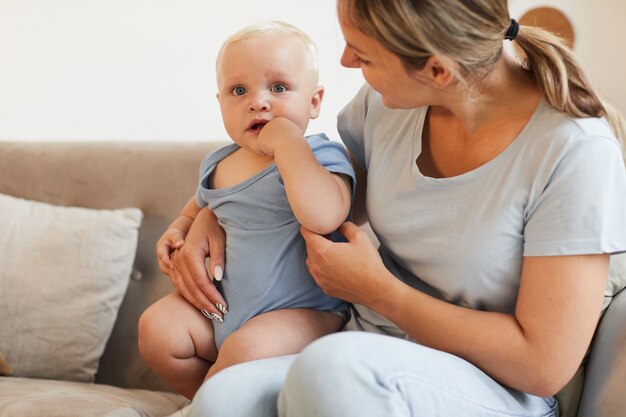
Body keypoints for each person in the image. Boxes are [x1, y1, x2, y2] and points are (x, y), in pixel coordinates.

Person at [183, 1, 626, 416]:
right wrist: (209, 217)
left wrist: (381, 293)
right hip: (358, 349)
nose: (346, 63)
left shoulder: (574, 152)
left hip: (491, 385)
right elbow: (321, 199)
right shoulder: (388, 104)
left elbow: (544, 364)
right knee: (223, 397)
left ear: (437, 70)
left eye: (364, 54)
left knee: (333, 371)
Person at [137, 20, 355, 400]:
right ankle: (213, 401)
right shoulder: (218, 163)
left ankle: (211, 405)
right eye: (239, 90)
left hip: (302, 315)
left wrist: (289, 145)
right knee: (156, 328)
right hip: (223, 311)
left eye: (279, 87)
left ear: (314, 101)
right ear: (220, 103)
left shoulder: (319, 154)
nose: (258, 101)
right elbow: (198, 206)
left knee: (244, 352)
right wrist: (179, 228)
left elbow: (324, 216)